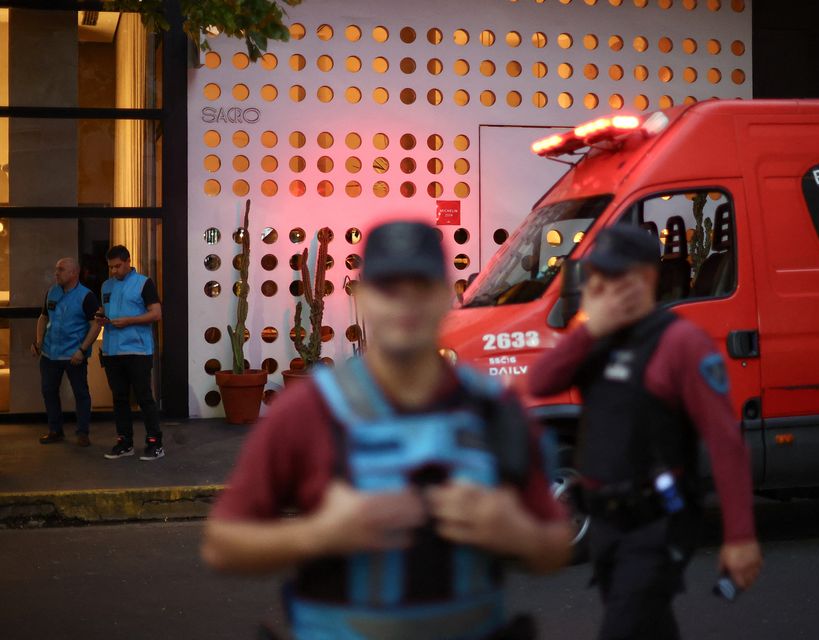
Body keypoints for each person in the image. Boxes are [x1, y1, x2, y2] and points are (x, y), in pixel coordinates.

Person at [202, 221, 571, 640]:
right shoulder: (307, 412)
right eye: (388, 288)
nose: (404, 304)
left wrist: (513, 531)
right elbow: (221, 545)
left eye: (420, 286)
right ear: (363, 299)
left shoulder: (496, 411)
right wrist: (319, 534)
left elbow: (555, 545)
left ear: (447, 296)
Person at [528, 225, 762, 640]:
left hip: (658, 521)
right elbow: (540, 383)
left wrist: (740, 536)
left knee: (625, 627)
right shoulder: (597, 337)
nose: (607, 288)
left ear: (648, 279)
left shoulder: (681, 344)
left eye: (619, 277)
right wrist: (587, 329)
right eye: (600, 277)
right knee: (649, 627)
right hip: (605, 521)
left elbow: (726, 442)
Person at [98, 245, 164, 461]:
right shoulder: (106, 286)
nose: (114, 271)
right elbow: (106, 310)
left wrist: (129, 321)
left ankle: (155, 443)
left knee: (145, 397)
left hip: (137, 349)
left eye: (118, 266)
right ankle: (124, 442)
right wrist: (101, 316)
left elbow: (156, 314)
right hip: (112, 350)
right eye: (111, 267)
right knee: (119, 399)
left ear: (128, 261)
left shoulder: (144, 283)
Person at [31, 258, 100, 447]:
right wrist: (38, 342)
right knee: (49, 392)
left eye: (61, 269)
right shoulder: (52, 292)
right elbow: (43, 317)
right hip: (49, 354)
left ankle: (83, 433)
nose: (56, 273)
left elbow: (95, 325)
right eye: (56, 269)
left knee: (81, 394)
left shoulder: (86, 296)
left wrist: (82, 350)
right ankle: (55, 430)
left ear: (73, 273)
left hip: (73, 356)